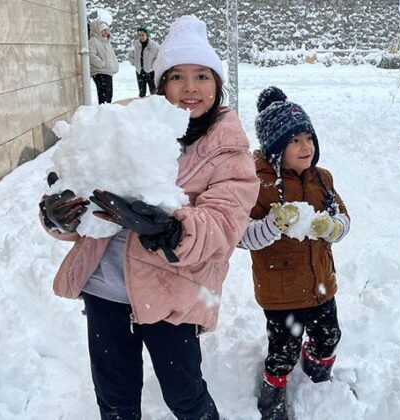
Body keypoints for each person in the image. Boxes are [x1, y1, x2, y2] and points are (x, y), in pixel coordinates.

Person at [39, 16, 259, 420]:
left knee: (185, 397)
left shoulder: (228, 151)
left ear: (217, 85)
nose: (190, 88)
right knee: (115, 399)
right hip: (105, 289)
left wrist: (173, 228)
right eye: (177, 76)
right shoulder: (127, 128)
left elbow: (226, 222)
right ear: (161, 84)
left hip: (173, 294)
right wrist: (60, 215)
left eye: (201, 76)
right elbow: (84, 190)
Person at [239, 87, 351, 420]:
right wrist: (273, 224)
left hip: (321, 284)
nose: (307, 147)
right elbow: (243, 237)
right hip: (281, 293)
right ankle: (273, 393)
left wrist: (332, 228)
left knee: (329, 336)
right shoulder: (256, 184)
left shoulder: (322, 178)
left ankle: (318, 374)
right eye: (295, 141)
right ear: (275, 148)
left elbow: (344, 219)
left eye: (309, 138)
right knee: (283, 351)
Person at [88, 19, 119, 104]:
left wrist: (115, 66)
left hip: (108, 72)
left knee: (109, 96)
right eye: (103, 30)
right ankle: (103, 114)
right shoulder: (93, 41)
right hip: (100, 73)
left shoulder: (106, 42)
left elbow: (112, 56)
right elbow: (90, 55)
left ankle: (106, 113)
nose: (106, 32)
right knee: (103, 97)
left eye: (107, 30)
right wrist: (101, 64)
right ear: (97, 31)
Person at [131, 27, 160, 97]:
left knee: (153, 92)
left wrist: (152, 66)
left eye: (143, 35)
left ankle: (155, 106)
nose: (141, 37)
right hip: (140, 71)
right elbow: (130, 55)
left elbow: (158, 57)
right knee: (142, 92)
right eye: (139, 35)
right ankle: (141, 106)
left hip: (151, 72)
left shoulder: (154, 45)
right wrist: (134, 63)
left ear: (147, 35)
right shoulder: (136, 44)